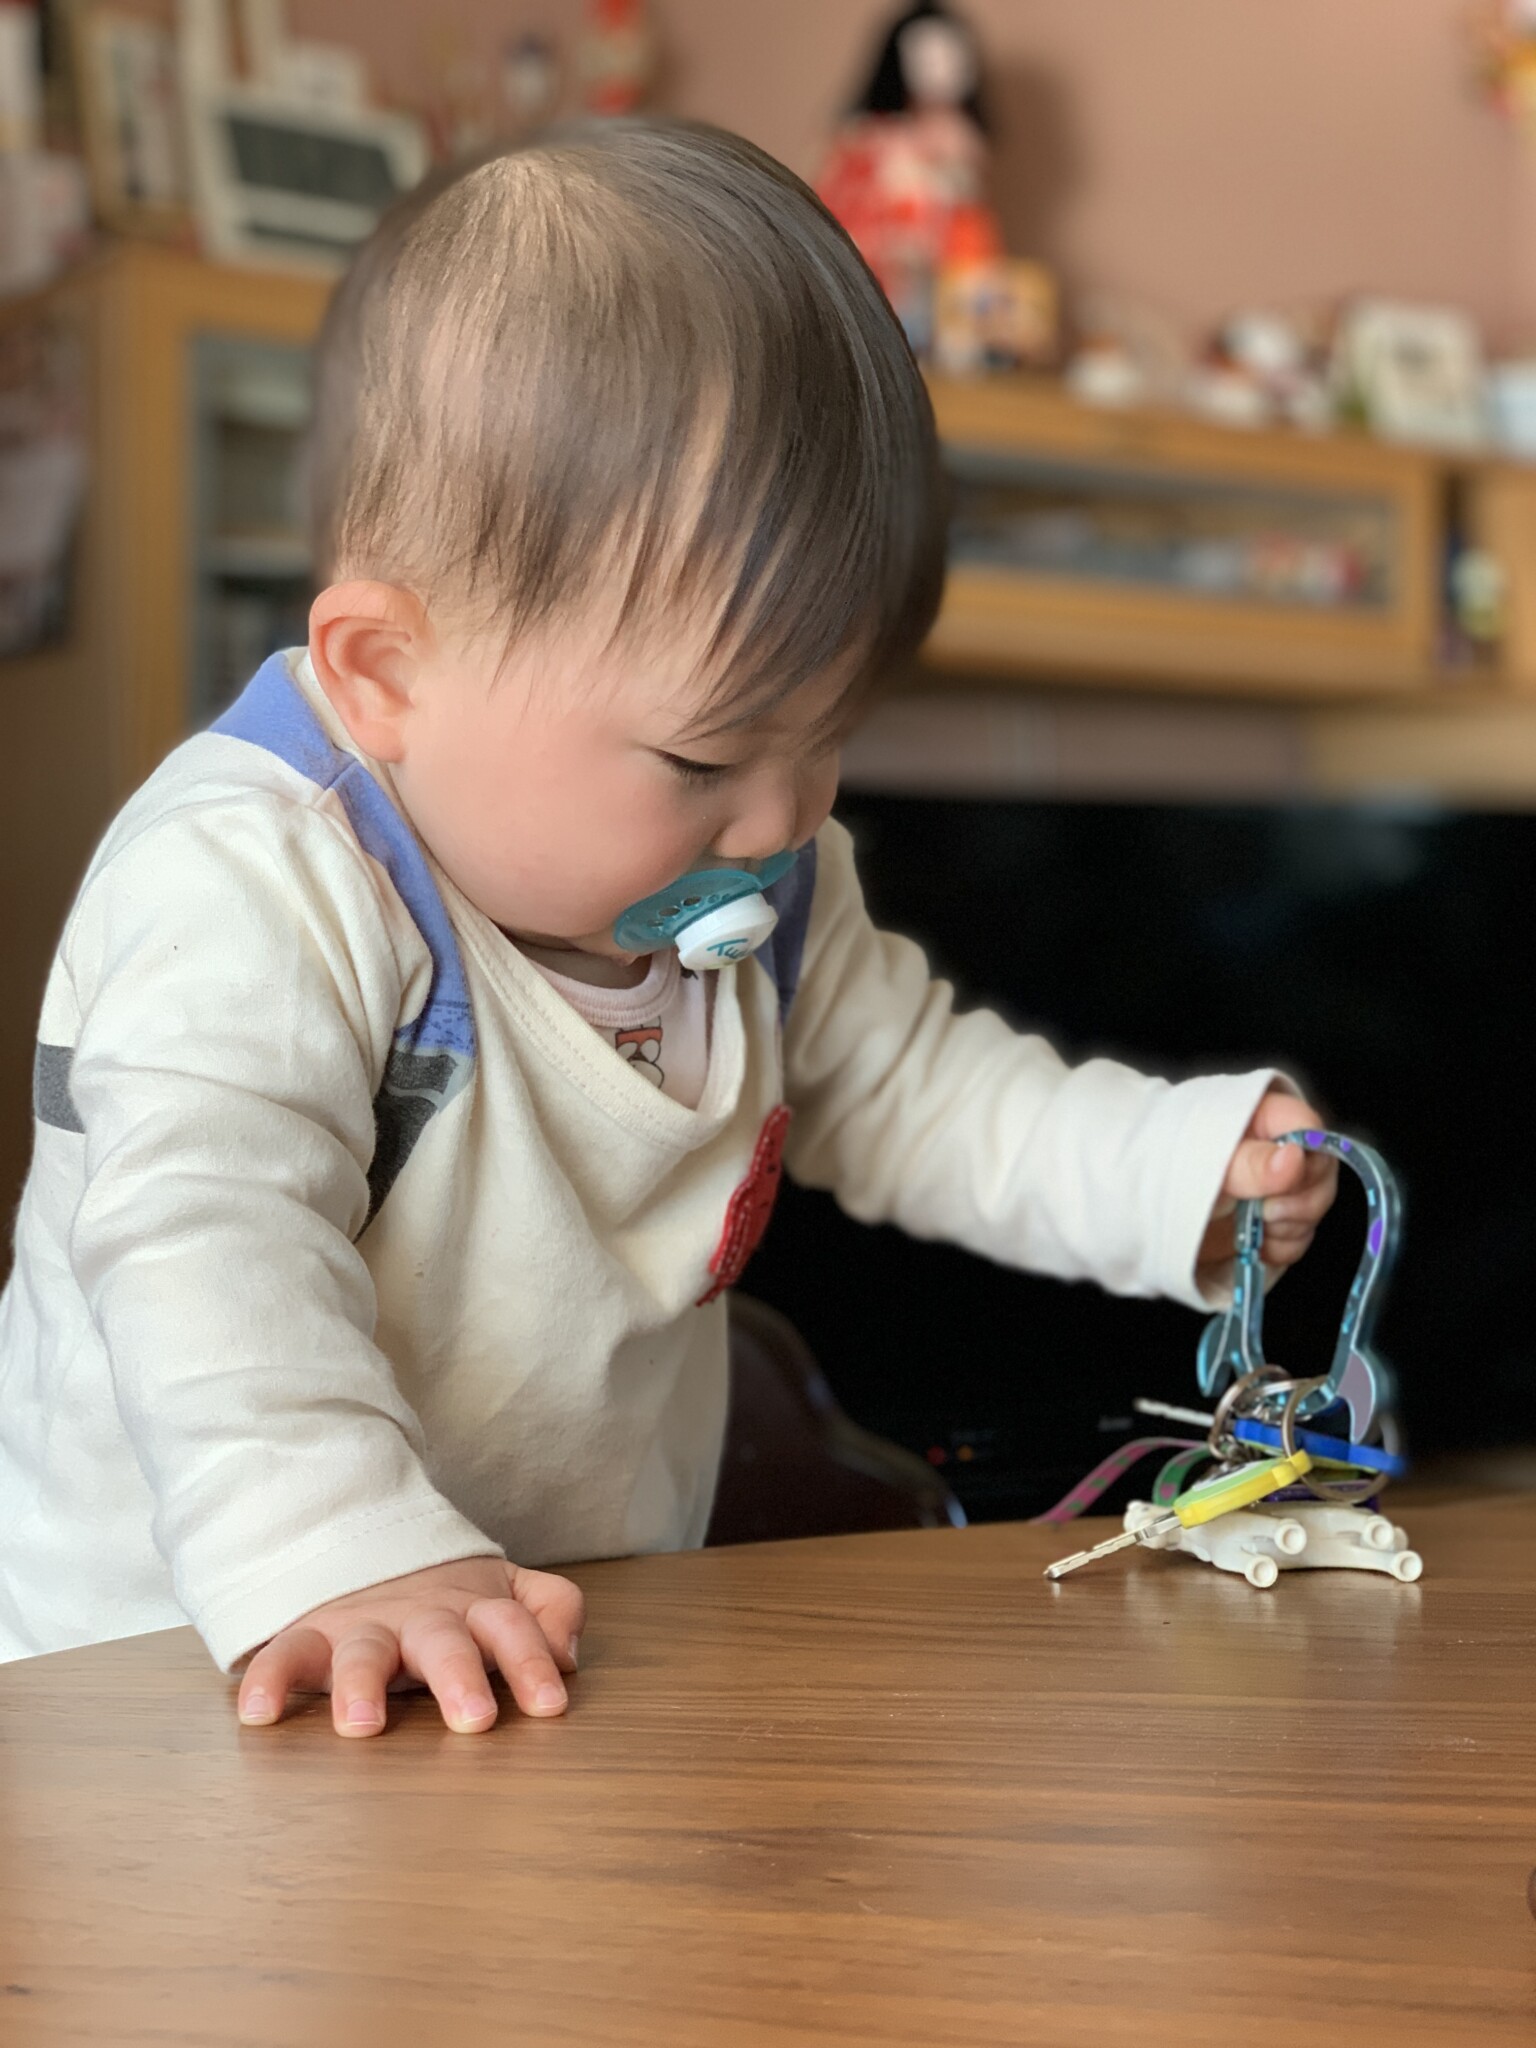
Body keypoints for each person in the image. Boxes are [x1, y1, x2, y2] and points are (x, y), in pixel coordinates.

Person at [0, 120, 1336, 1735]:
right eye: (706, 757)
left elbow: (918, 1092)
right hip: (194, 1676)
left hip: (548, 1645)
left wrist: (1172, 1177)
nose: (780, 820)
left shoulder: (759, 885)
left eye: (825, 735)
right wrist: (335, 1553)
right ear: (385, 676)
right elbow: (203, 1243)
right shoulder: (254, 887)